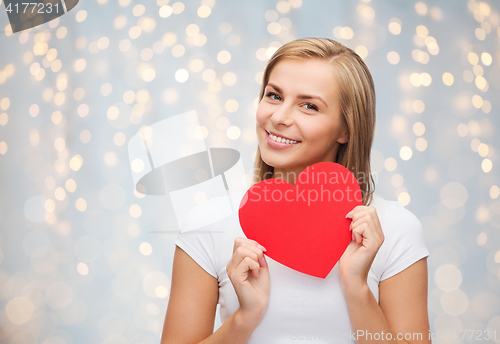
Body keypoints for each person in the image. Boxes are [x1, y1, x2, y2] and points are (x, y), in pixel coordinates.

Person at [161, 38, 430, 343]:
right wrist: (245, 318)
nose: (278, 117)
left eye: (309, 106)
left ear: (346, 128)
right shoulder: (206, 222)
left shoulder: (394, 228)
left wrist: (356, 286)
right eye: (274, 96)